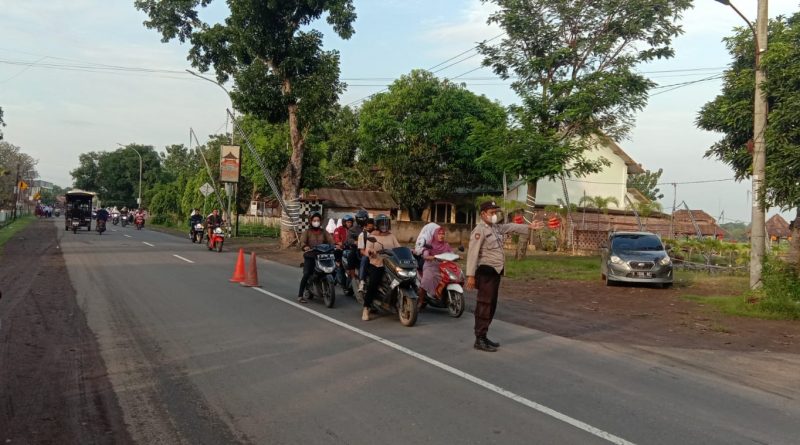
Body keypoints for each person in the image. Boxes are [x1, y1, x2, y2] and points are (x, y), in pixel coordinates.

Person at [466, 200, 544, 352]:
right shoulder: (479, 230)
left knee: (491, 305)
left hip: (495, 272)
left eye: (496, 212)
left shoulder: (496, 228)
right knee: (484, 305)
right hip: (486, 272)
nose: (494, 215)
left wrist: (530, 227)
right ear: (483, 214)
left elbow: (511, 226)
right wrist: (470, 275)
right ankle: (479, 338)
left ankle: (483, 335)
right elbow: (472, 253)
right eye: (491, 213)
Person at [361, 214, 401, 321]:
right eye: (382, 223)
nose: (384, 225)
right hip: (377, 263)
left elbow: (398, 247)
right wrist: (371, 251)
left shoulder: (391, 236)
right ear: (377, 224)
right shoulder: (372, 236)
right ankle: (366, 308)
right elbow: (367, 250)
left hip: (392, 263)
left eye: (386, 223)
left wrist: (409, 250)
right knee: (373, 283)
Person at [298, 212, 335, 303]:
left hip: (322, 256)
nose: (316, 222)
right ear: (311, 221)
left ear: (320, 221)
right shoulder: (307, 232)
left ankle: (325, 286)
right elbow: (302, 242)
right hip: (310, 256)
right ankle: (300, 295)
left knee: (333, 270)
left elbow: (331, 240)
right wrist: (305, 246)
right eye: (314, 220)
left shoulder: (324, 232)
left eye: (318, 220)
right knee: (306, 274)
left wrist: (335, 245)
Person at [417, 226, 453, 309]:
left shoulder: (446, 245)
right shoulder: (430, 244)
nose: (441, 235)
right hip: (430, 266)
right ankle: (420, 301)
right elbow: (425, 254)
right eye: (439, 234)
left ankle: (442, 296)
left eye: (443, 234)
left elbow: (451, 253)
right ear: (435, 235)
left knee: (450, 278)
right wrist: (430, 257)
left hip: (442, 266)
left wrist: (457, 256)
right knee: (426, 281)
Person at [356, 218, 376, 291]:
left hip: (377, 254)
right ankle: (361, 281)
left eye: (372, 226)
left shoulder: (377, 234)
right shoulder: (362, 235)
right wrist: (369, 255)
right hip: (367, 254)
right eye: (369, 227)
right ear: (365, 226)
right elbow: (361, 251)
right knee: (364, 259)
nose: (370, 228)